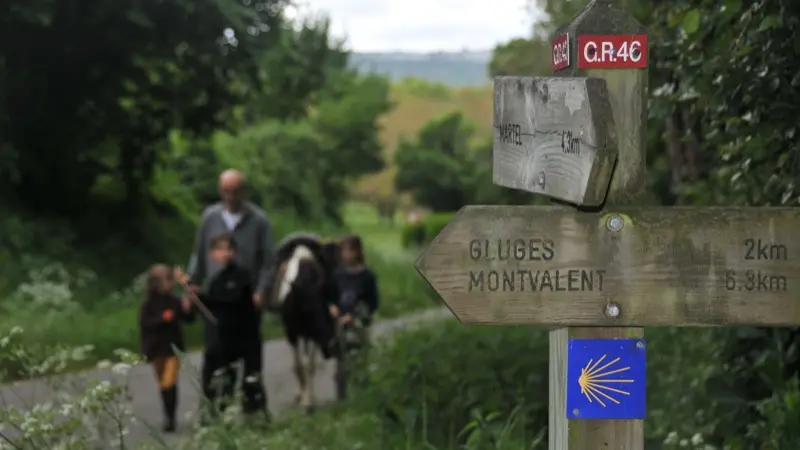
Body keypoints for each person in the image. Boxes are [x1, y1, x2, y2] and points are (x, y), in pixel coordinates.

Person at [186, 169, 275, 420]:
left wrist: (261, 292)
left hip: (246, 299)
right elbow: (199, 254)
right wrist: (193, 284)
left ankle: (253, 408)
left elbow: (270, 261)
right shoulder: (210, 217)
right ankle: (215, 407)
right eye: (226, 191)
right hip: (216, 299)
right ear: (220, 191)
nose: (231, 196)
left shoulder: (259, 220)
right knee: (216, 351)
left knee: (249, 354)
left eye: (236, 191)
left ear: (244, 192)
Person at [193, 232, 268, 422]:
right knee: (221, 378)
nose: (224, 253)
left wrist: (202, 296)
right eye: (219, 249)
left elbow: (230, 302)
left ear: (234, 252)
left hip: (246, 337)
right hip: (225, 339)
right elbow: (211, 310)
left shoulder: (242, 275)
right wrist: (193, 300)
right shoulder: (216, 280)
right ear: (212, 254)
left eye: (228, 249)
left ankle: (256, 417)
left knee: (251, 379)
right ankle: (216, 416)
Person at [138, 264, 195, 432]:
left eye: (171, 279)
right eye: (165, 280)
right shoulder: (148, 304)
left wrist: (188, 306)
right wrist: (162, 319)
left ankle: (170, 418)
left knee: (169, 381)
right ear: (154, 283)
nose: (169, 283)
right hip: (156, 348)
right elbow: (145, 323)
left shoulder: (175, 301)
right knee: (163, 383)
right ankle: (168, 413)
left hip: (172, 347)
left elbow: (188, 319)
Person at [328, 234, 379, 335]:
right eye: (345, 251)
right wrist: (331, 307)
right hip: (339, 321)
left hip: (358, 322)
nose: (348, 255)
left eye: (351, 251)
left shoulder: (367, 276)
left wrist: (354, 316)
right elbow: (330, 295)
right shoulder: (337, 274)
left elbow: (372, 303)